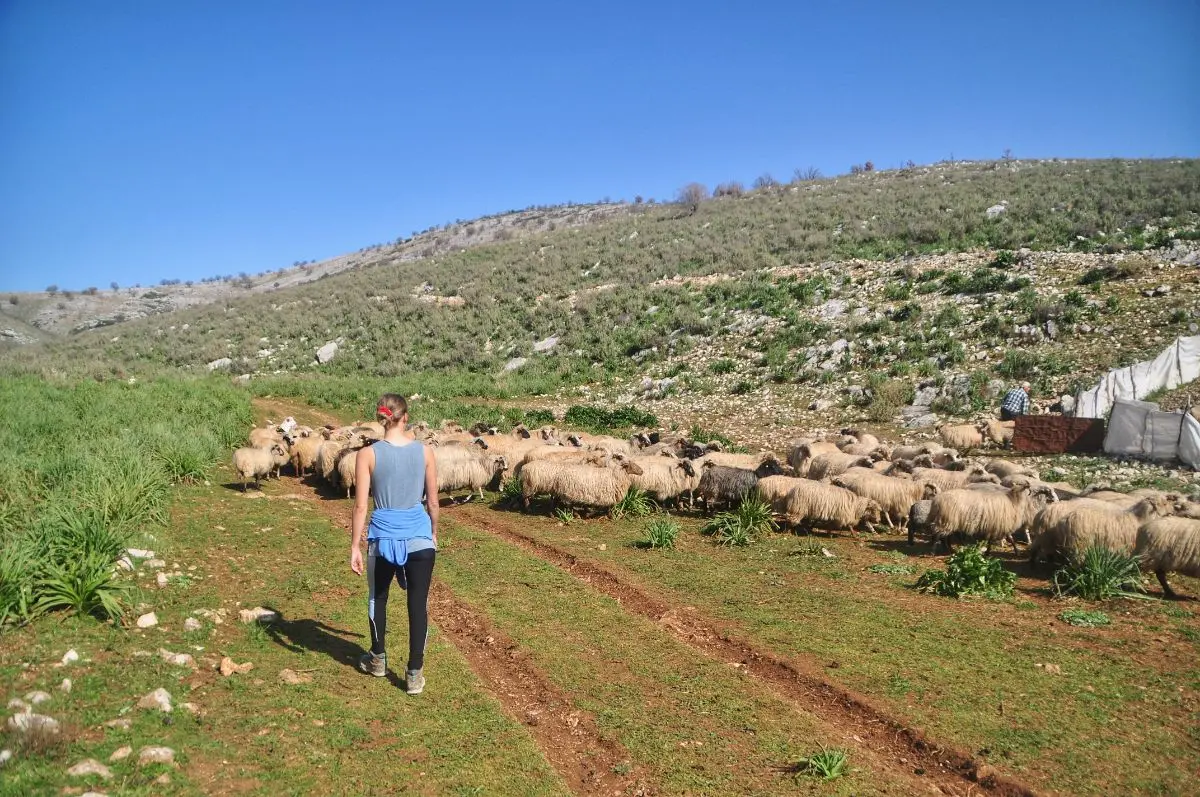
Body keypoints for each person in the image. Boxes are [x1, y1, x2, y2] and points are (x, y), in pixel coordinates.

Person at [349, 394, 439, 695]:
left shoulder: (367, 454)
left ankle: (377, 660)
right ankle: (414, 674)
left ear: (381, 418)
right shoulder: (425, 452)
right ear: (406, 417)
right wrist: (433, 532)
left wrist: (355, 546)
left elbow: (361, 506)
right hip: (419, 538)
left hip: (383, 537)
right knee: (418, 604)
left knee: (378, 597)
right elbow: (433, 502)